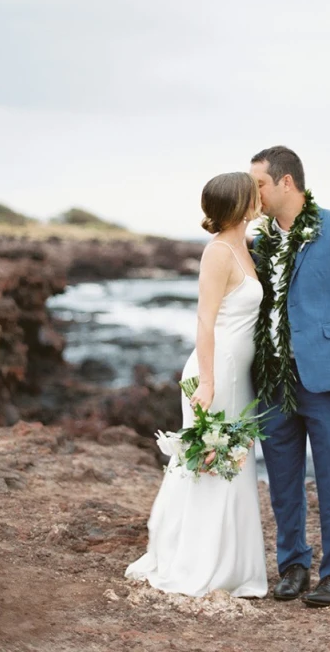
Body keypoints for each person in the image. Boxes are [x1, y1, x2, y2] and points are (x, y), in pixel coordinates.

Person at [124, 172, 268, 598]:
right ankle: (199, 565)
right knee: (210, 466)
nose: (259, 196)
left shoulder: (246, 245)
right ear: (241, 204)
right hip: (215, 372)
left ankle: (234, 567)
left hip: (237, 376)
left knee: (234, 468)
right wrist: (206, 382)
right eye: (252, 192)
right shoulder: (218, 252)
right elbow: (205, 320)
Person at [249, 146, 330, 607]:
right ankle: (293, 566)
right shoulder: (259, 242)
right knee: (282, 479)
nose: (254, 192)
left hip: (326, 377)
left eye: (259, 183)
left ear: (286, 182)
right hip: (271, 378)